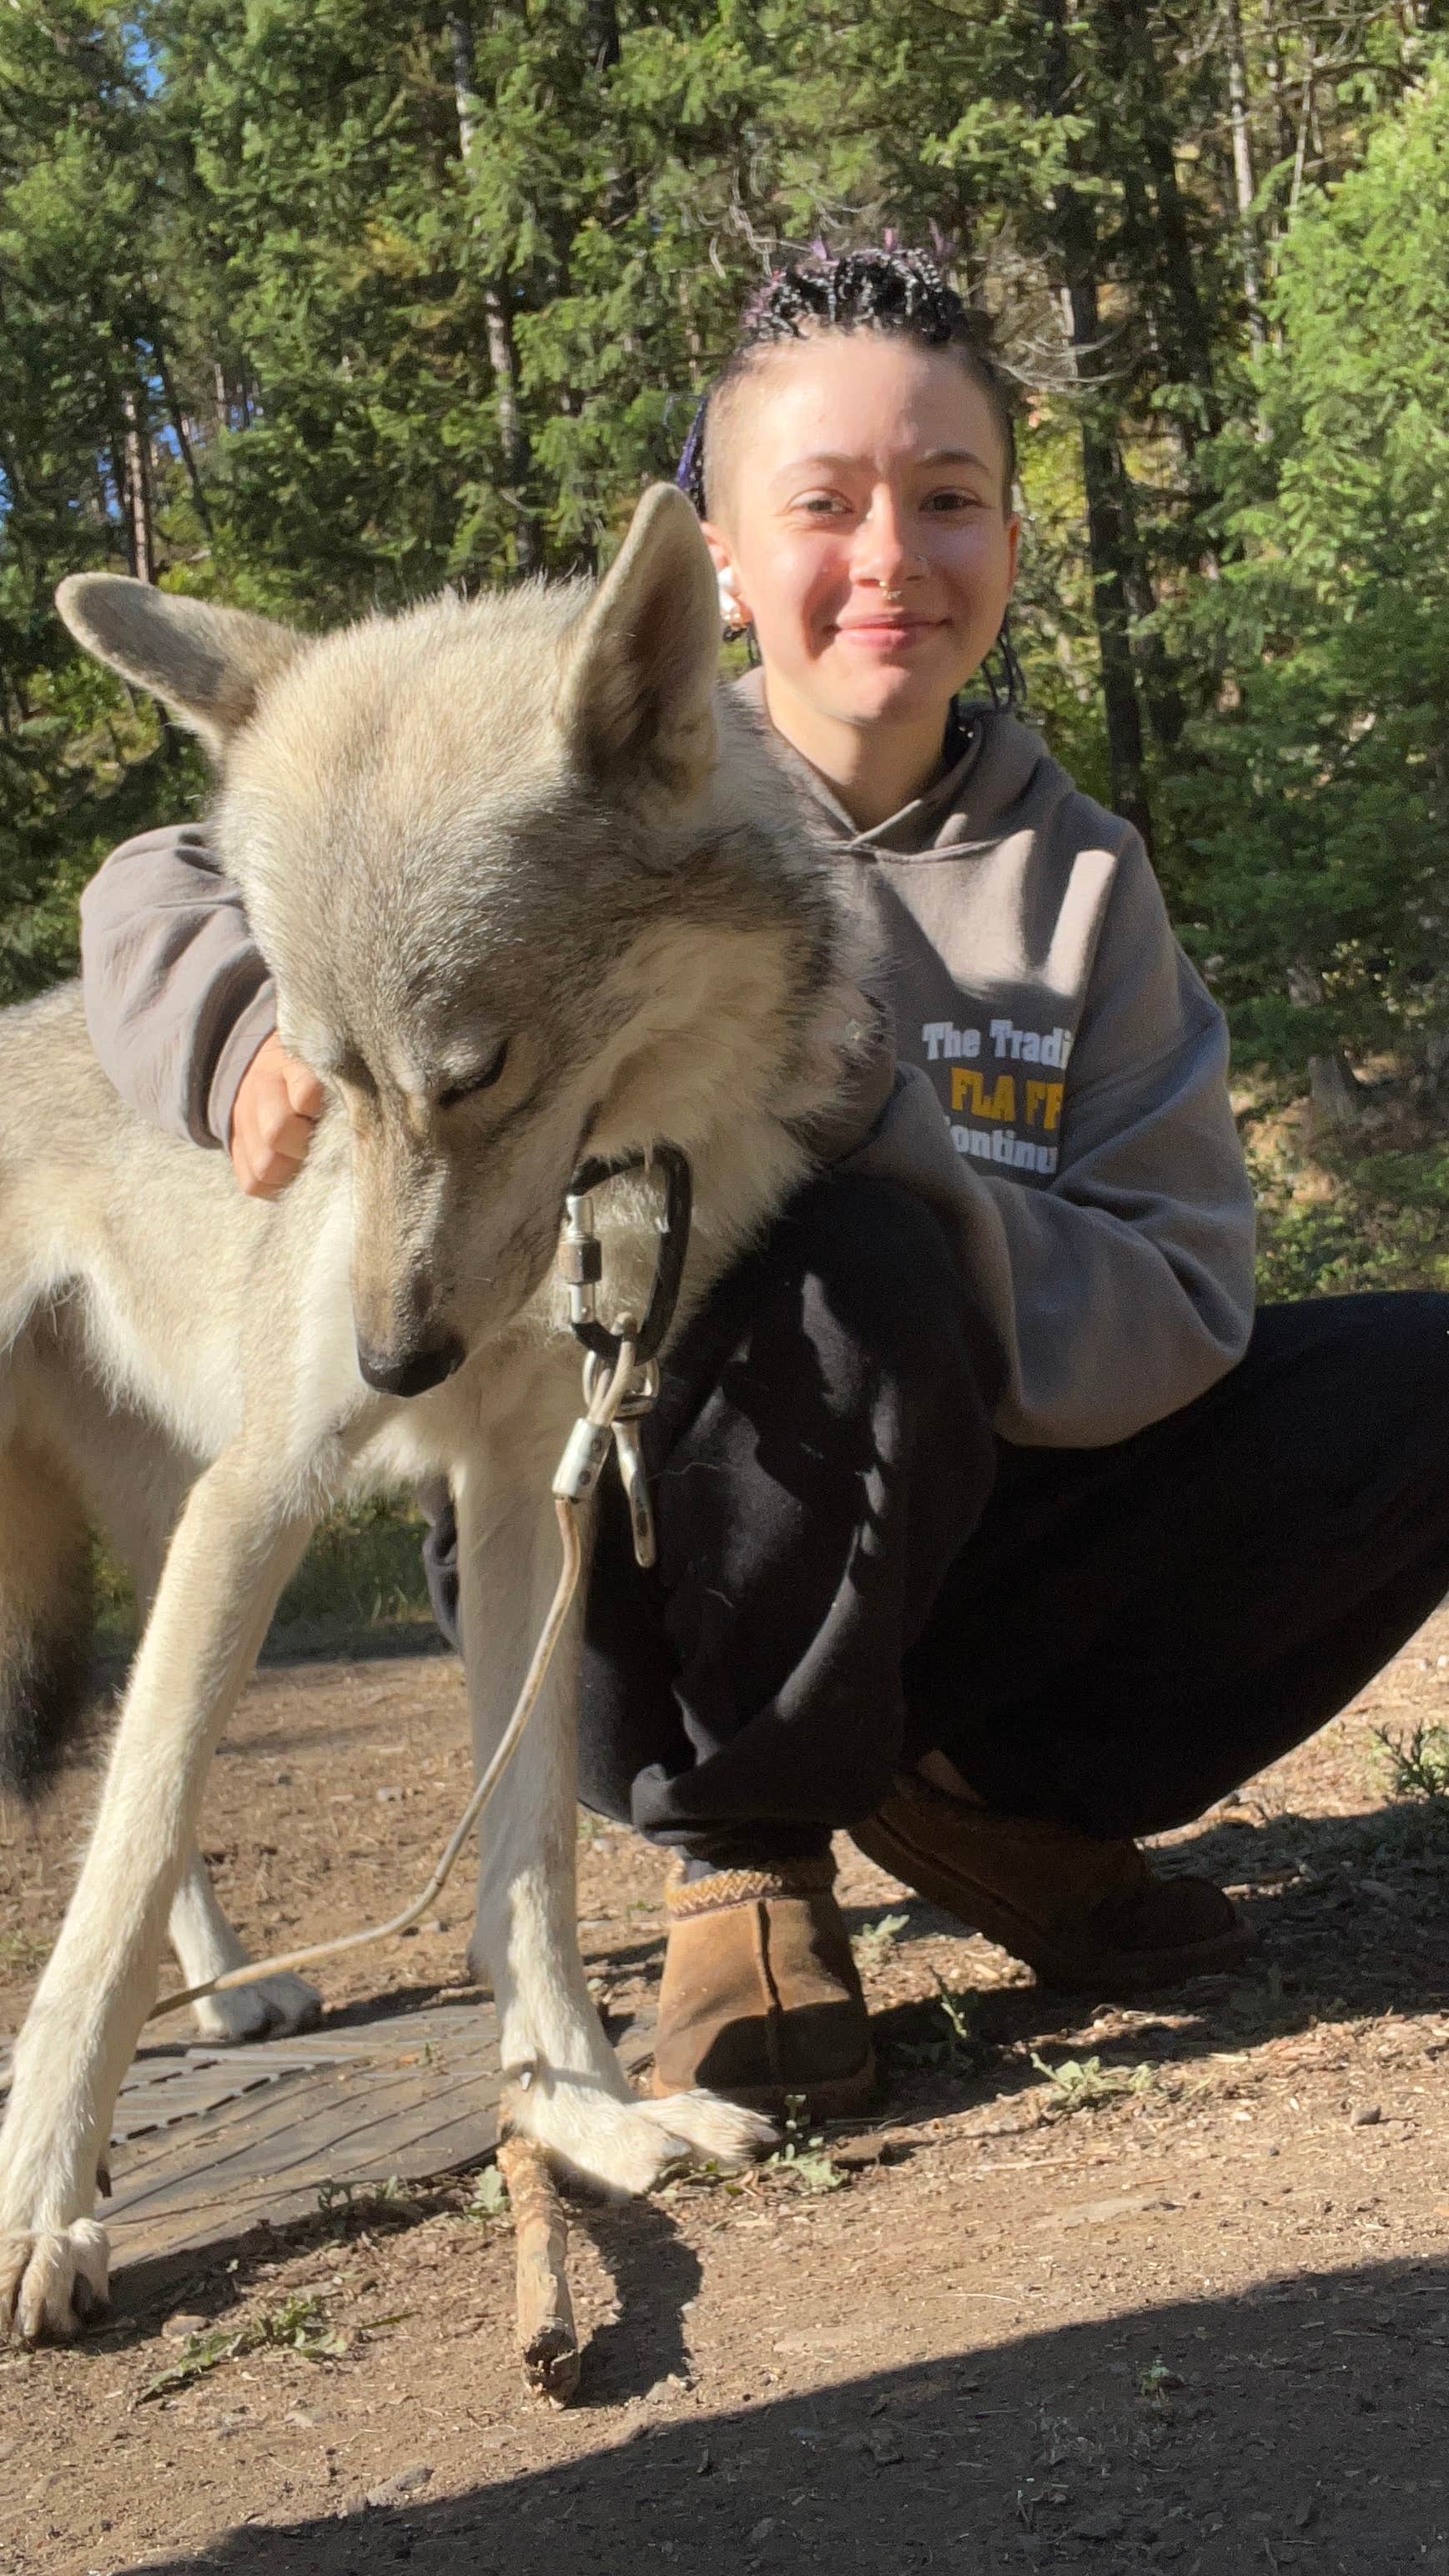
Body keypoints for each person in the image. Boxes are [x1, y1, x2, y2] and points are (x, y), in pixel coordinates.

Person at [79, 247, 1449, 2123]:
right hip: (648, 1577)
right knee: (847, 1265)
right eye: (821, 504)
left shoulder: (1083, 886)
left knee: (1391, 1372)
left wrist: (873, 1122)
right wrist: (249, 1036)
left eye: (946, 499)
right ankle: (743, 1857)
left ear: (1009, 546)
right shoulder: (564, 783)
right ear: (715, 561)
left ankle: (982, 1799)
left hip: (970, 1538)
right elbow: (161, 872)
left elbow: (1179, 1308)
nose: (889, 554)